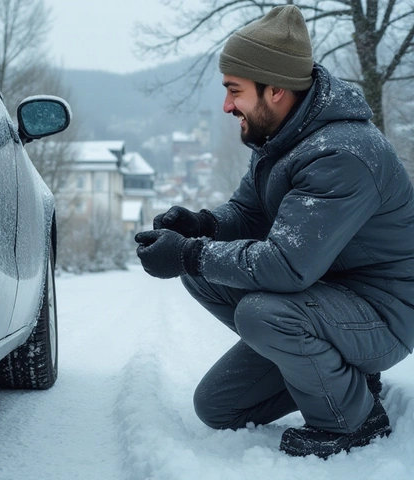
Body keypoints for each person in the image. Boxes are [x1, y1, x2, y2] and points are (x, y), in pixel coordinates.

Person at [135, 5, 414, 459]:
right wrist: (201, 226)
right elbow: (247, 214)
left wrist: (189, 253)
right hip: (328, 300)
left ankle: (356, 421)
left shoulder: (341, 154)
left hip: (384, 314)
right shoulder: (282, 138)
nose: (227, 105)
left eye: (234, 91)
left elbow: (286, 266)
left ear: (277, 89)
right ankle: (339, 373)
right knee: (218, 408)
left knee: (261, 310)